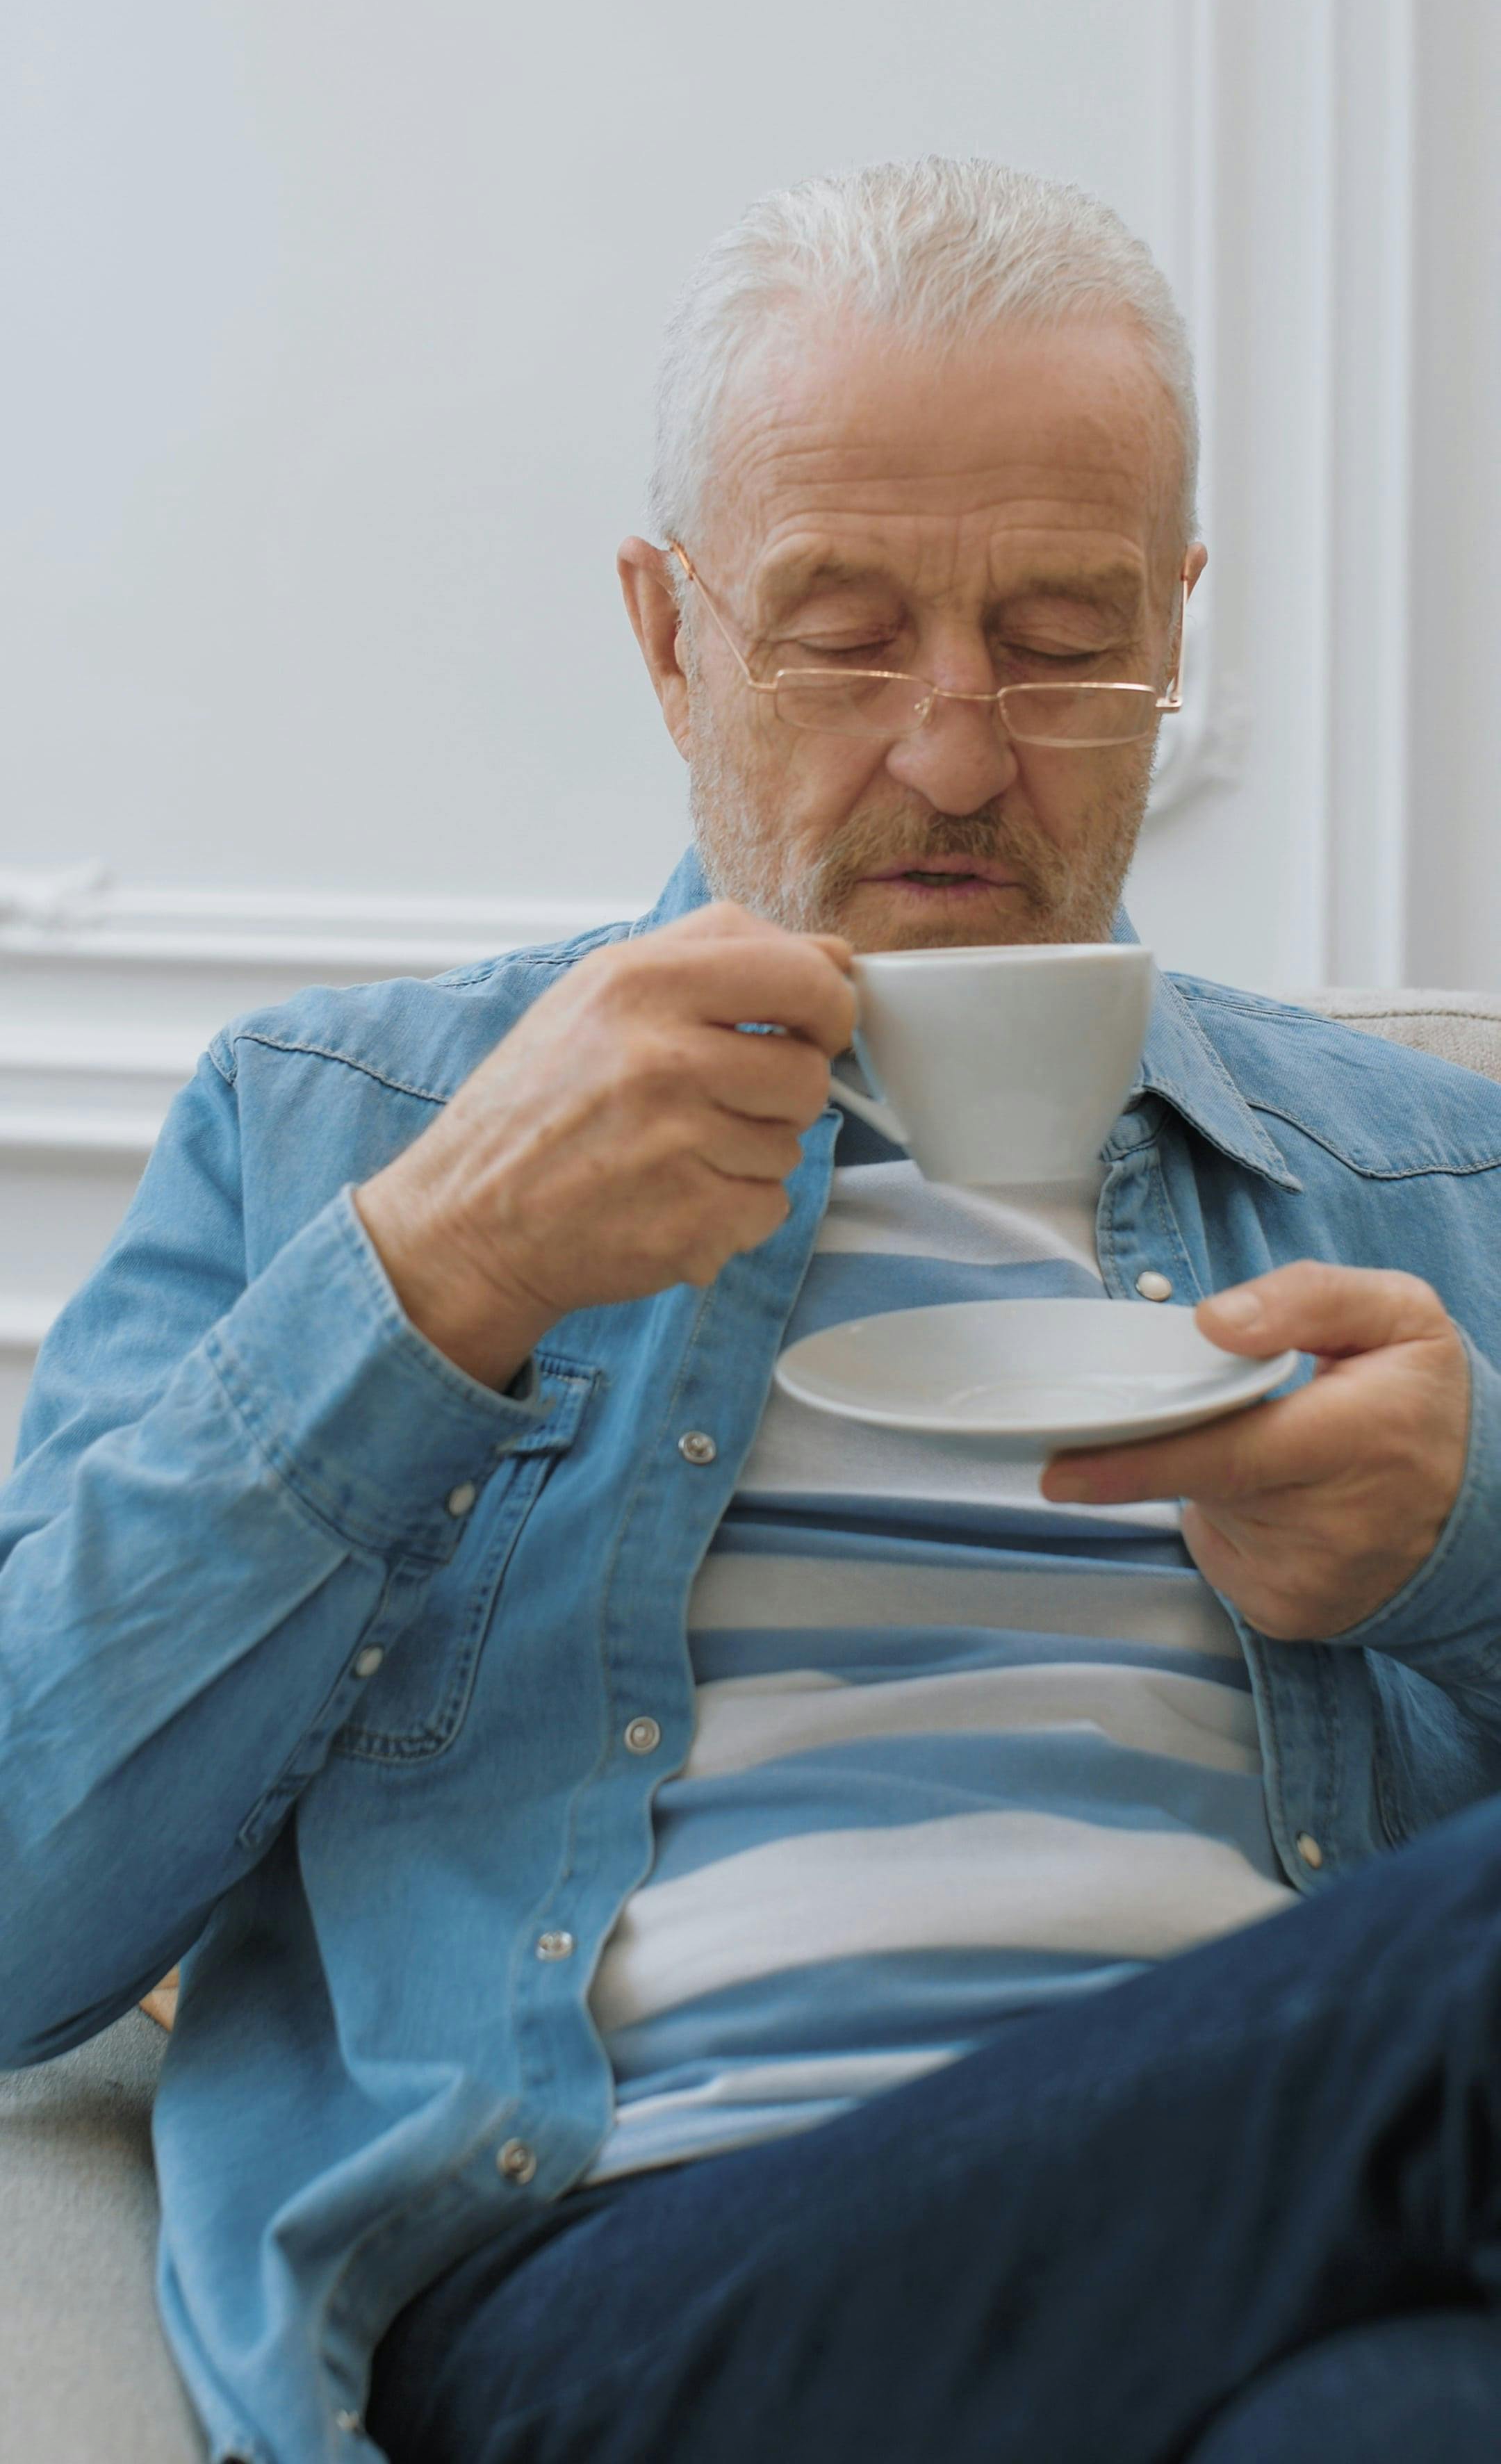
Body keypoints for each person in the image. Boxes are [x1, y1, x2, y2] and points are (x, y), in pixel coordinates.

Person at [5, 158, 1501, 2464]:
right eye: (839, 626)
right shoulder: (348, 1130)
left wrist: (1470, 1545)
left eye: (1064, 635)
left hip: (1278, 2245)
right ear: (665, 629)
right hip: (642, 2295)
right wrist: (443, 1280)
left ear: (1179, 630)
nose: (955, 748)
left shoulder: (1420, 1181)